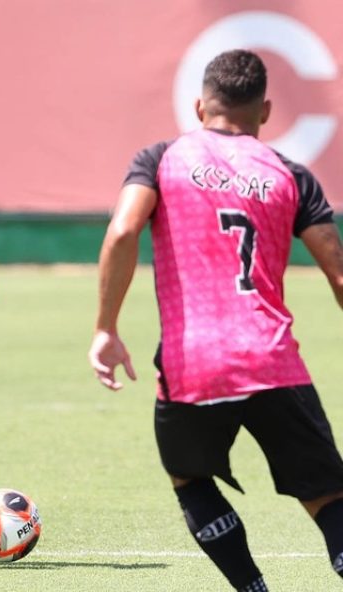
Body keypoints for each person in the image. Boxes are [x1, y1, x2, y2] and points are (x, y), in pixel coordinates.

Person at [88, 49, 343, 590]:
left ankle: (253, 588)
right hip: (274, 361)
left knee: (189, 478)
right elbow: (340, 278)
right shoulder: (291, 175)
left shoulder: (161, 158)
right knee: (327, 495)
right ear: (266, 110)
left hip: (194, 365)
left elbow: (122, 232)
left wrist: (106, 328)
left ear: (200, 105)